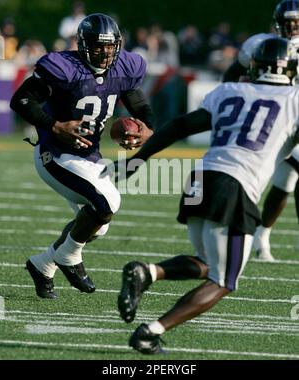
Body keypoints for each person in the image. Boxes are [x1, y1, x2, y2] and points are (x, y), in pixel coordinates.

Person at [116, 36, 299, 354]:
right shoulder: (294, 99)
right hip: (235, 186)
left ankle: (148, 272)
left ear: (254, 66)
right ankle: (150, 332)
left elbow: (178, 127)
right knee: (224, 280)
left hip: (200, 180)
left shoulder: (229, 91)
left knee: (208, 261)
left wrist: (138, 161)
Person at [10, 13, 154, 299]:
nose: (104, 52)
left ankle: (43, 264)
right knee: (107, 202)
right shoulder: (64, 67)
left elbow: (140, 106)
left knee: (96, 227)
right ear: (83, 43)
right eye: (98, 46)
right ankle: (69, 257)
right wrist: (54, 125)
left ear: (118, 45)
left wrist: (146, 129)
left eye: (109, 46)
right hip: (55, 154)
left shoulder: (124, 67)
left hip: (89, 157)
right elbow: (21, 100)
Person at [224, 0, 299, 262]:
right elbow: (234, 72)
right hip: (272, 120)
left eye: (296, 23)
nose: (292, 28)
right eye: (288, 23)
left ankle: (261, 236)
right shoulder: (261, 44)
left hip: (295, 117)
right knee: (273, 180)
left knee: (285, 182)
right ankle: (249, 232)